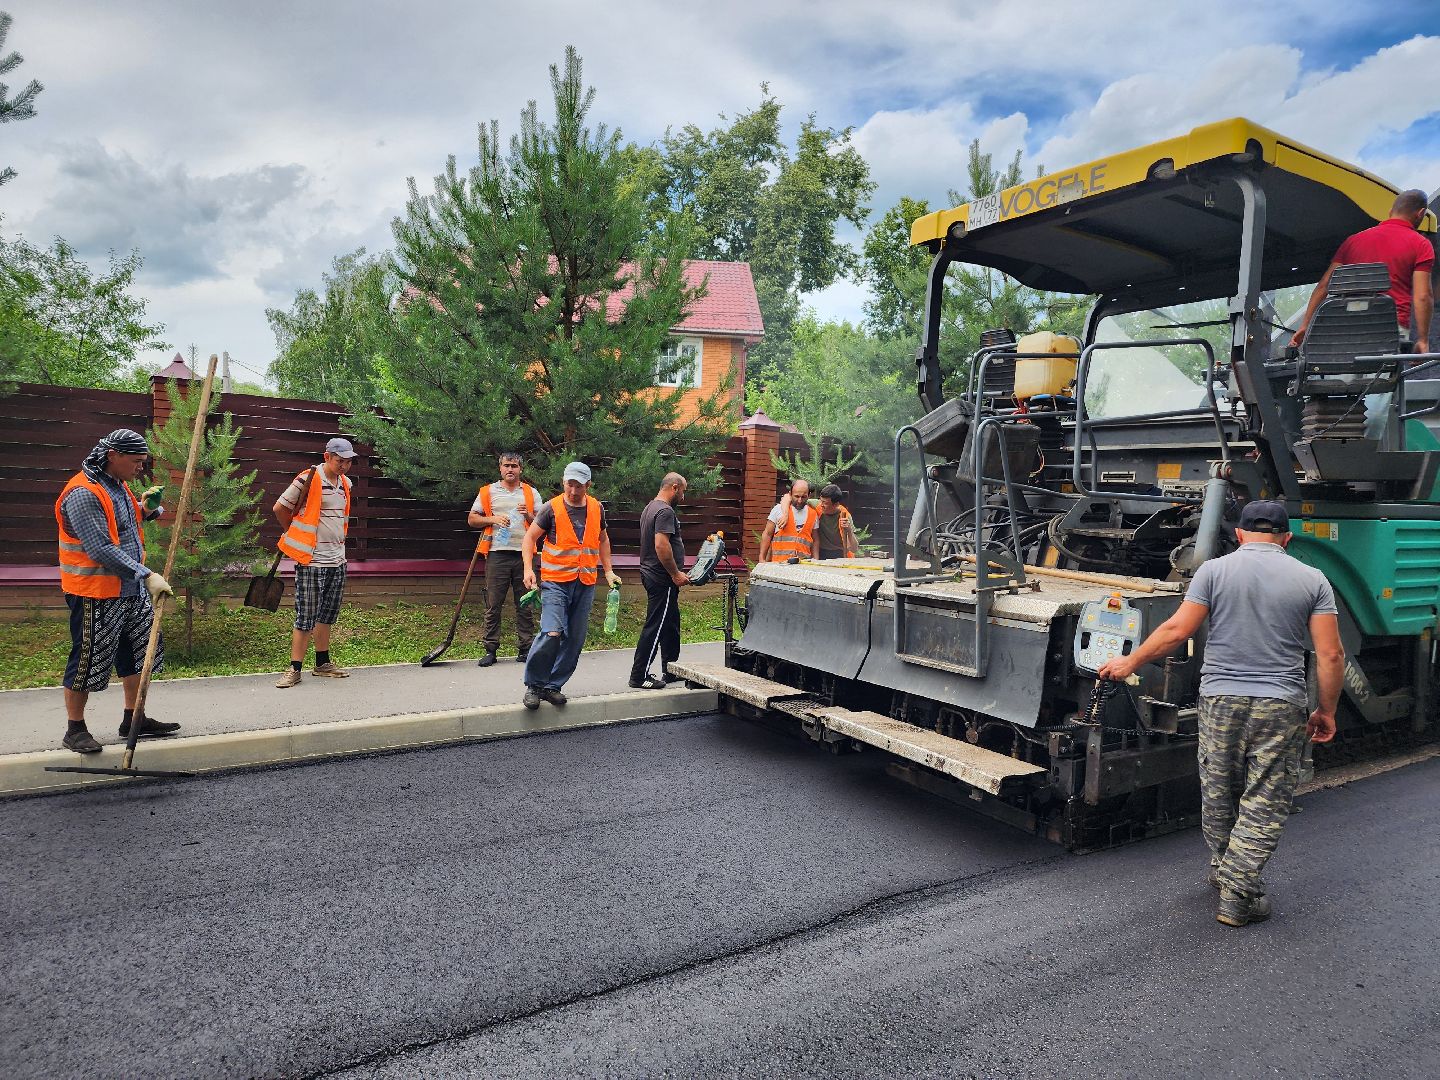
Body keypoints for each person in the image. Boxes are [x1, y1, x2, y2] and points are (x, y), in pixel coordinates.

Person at [1097, 500, 1344, 928]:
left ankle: (1222, 868)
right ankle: (1238, 893)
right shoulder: (1313, 580)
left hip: (1220, 698)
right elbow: (1331, 654)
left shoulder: (1213, 571)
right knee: (1265, 796)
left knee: (1218, 786)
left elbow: (1177, 630)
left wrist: (1129, 662)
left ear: (1242, 534)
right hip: (1280, 702)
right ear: (1286, 538)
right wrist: (1326, 710)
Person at [56, 429, 179, 753]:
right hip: (95, 590)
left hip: (129, 587)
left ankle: (134, 718)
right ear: (114, 456)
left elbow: (121, 524)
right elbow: (100, 547)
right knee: (89, 658)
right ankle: (75, 729)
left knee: (139, 653)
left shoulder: (117, 485)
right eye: (137, 461)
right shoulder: (83, 493)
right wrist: (148, 574)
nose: (141, 467)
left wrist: (146, 509)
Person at [520, 461, 621, 710]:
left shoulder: (597, 508)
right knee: (552, 632)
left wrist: (608, 571)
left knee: (575, 638)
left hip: (585, 582)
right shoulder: (551, 508)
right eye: (570, 484)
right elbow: (530, 537)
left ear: (588, 485)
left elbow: (603, 540)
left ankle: (553, 686)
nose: (574, 491)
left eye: (579, 486)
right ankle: (534, 685)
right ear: (564, 482)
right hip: (555, 583)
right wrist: (527, 569)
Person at [1290, 188, 1433, 354]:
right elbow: (1423, 296)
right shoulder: (1420, 244)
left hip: (1348, 330)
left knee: (1343, 380)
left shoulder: (1353, 241)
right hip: (1389, 330)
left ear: (1390, 212)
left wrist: (1305, 325)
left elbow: (1324, 285)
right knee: (1383, 378)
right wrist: (1423, 340)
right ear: (1421, 213)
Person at [273, 437, 355, 688]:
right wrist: (294, 534)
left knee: (327, 614)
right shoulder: (307, 479)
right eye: (340, 461)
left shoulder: (346, 483)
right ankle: (294, 668)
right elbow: (280, 508)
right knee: (305, 615)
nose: (344, 466)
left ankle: (322, 663)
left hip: (337, 560)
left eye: (348, 462)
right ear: (327, 456)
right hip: (311, 560)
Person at [468, 451, 542, 667]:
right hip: (497, 554)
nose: (510, 469)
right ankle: (490, 650)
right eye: (507, 465)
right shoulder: (488, 491)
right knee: (493, 604)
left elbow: (544, 520)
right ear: (500, 468)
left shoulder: (531, 493)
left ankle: (526, 649)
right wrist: (492, 518)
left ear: (521, 469)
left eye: (515, 466)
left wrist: (528, 514)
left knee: (525, 603)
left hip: (524, 556)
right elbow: (472, 519)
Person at [629, 472, 689, 689]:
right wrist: (675, 574)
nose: (683, 497)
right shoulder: (664, 511)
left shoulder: (650, 507)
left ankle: (670, 670)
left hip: (652, 574)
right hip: (661, 578)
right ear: (674, 487)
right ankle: (639, 675)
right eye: (683, 491)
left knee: (671, 623)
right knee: (656, 625)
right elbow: (661, 546)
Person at [757, 479, 815, 563]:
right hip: (780, 563)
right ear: (790, 494)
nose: (800, 500)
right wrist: (761, 558)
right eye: (797, 496)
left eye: (803, 497)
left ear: (809, 495)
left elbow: (815, 539)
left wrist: (815, 560)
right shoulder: (778, 509)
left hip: (803, 564)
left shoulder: (813, 513)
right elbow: (767, 534)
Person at [812, 483, 859, 560]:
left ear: (836, 504)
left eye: (825, 503)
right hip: (821, 552)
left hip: (840, 554)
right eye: (821, 501)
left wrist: (849, 530)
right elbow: (793, 497)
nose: (821, 505)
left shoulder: (845, 516)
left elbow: (854, 549)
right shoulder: (817, 505)